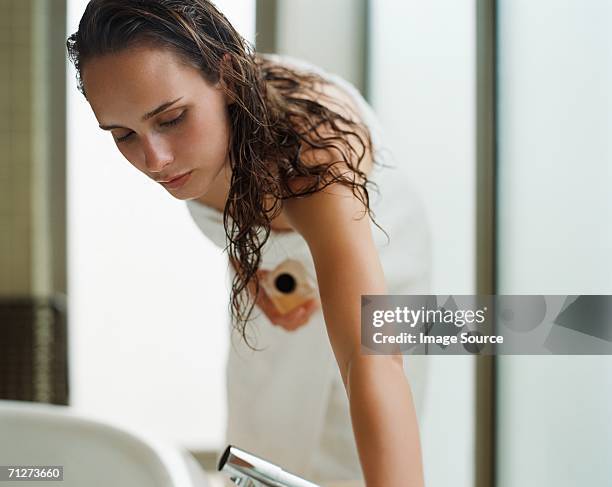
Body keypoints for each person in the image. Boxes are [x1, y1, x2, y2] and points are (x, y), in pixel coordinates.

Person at [67, 1, 431, 485]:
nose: (155, 159)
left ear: (229, 78)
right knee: (261, 440)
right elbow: (245, 218)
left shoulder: (316, 157)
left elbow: (374, 358)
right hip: (281, 281)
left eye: (171, 119)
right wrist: (252, 267)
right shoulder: (193, 141)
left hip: (372, 250)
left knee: (352, 446)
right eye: (123, 134)